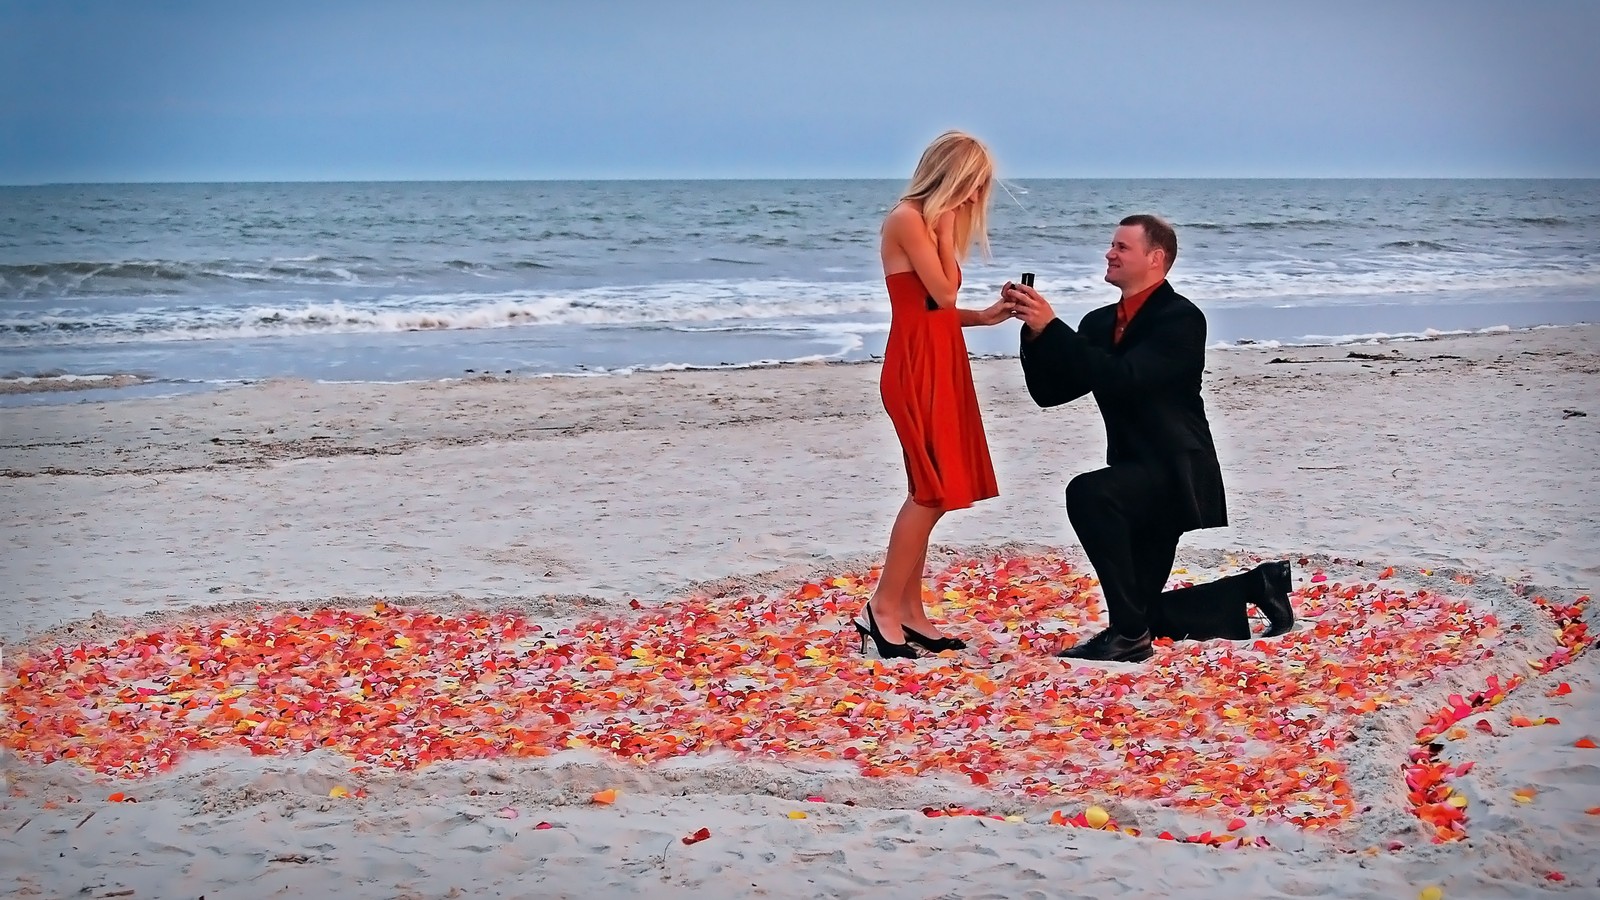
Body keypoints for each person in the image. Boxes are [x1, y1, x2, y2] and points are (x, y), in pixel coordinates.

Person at [1001, 214, 1294, 663]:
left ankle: (1130, 639)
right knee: (1141, 610)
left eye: (1122, 247)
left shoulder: (1181, 319)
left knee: (1087, 493)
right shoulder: (1099, 323)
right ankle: (1254, 586)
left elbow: (1127, 378)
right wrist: (1037, 332)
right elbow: (1050, 392)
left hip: (1176, 473)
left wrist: (1056, 328)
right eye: (1111, 245)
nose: (1109, 253)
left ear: (1156, 259)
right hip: (1130, 471)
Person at [855, 131, 1013, 659]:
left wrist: (984, 317)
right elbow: (942, 293)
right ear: (951, 177)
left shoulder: (926, 221)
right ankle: (881, 609)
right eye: (971, 186)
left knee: (934, 491)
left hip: (938, 359)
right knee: (928, 491)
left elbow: (933, 310)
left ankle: (912, 611)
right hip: (916, 368)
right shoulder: (909, 218)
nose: (974, 199)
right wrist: (945, 228)